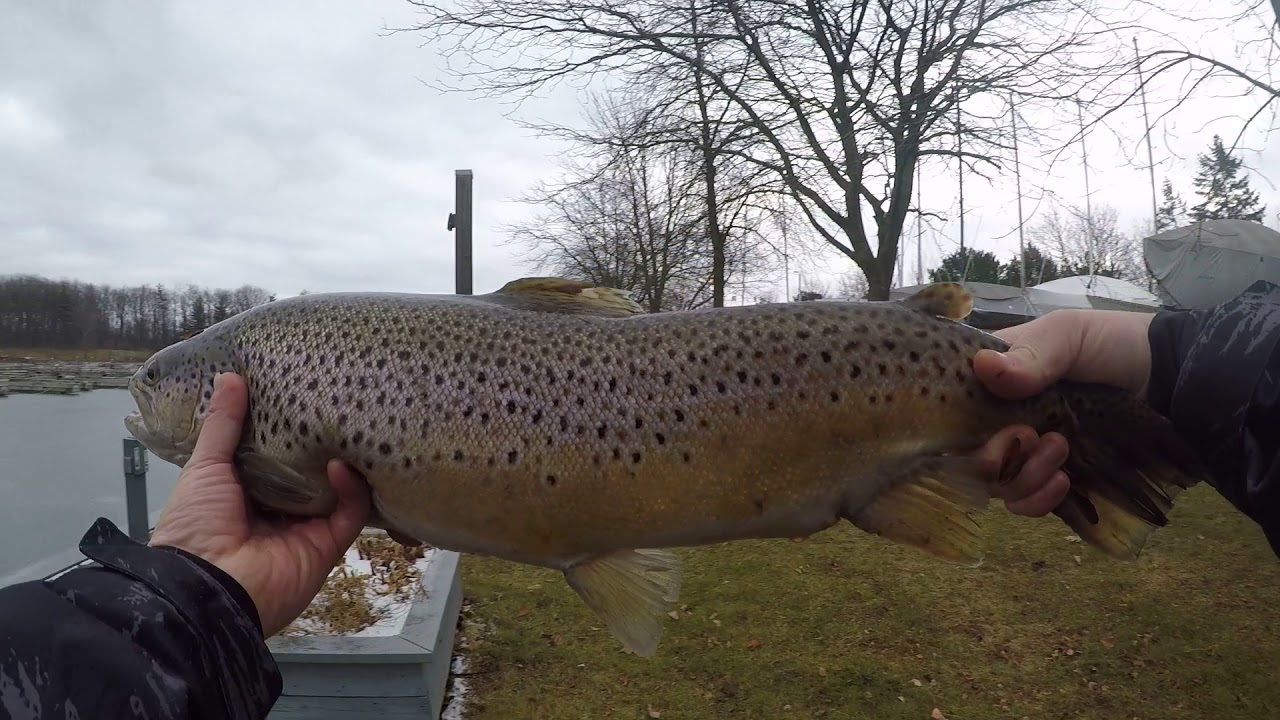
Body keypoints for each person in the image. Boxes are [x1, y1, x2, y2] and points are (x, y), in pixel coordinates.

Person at [1, 279, 1277, 718]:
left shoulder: (278, 362)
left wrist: (1147, 366)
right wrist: (198, 591)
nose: (153, 399)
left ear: (216, 394)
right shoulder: (290, 375)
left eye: (164, 384)